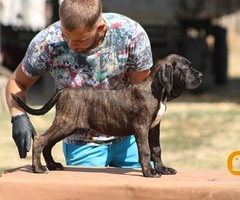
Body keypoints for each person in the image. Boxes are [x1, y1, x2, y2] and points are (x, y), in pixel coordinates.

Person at [5, 0, 153, 168]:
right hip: (82, 143)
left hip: (129, 139)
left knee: (141, 192)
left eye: (80, 40)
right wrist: (18, 116)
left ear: (100, 28)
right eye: (66, 36)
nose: (71, 45)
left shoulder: (131, 35)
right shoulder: (48, 42)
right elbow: (17, 81)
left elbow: (142, 95)